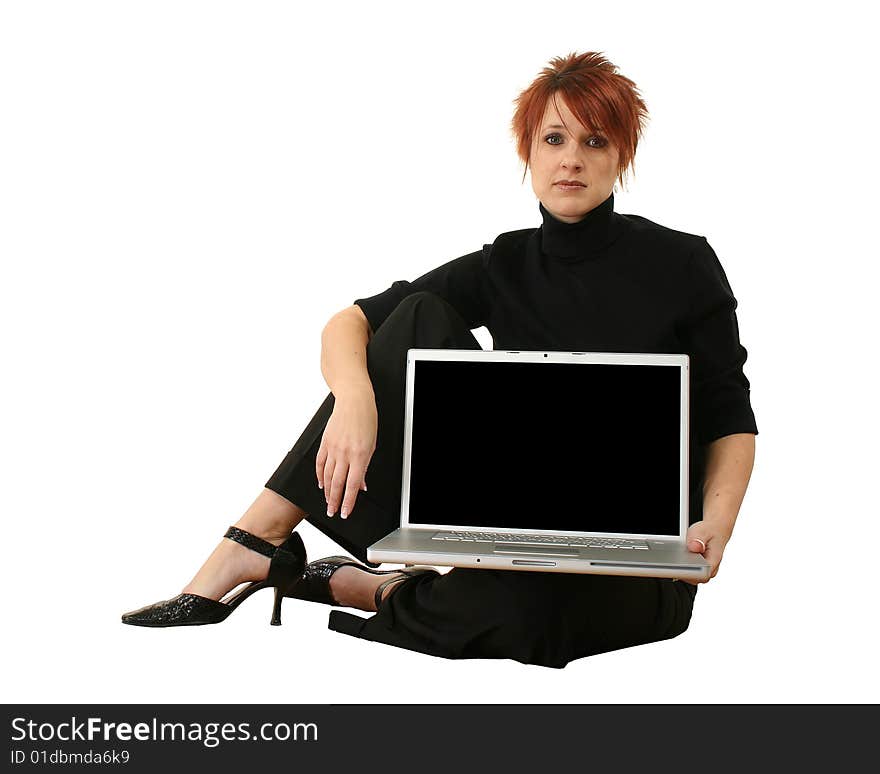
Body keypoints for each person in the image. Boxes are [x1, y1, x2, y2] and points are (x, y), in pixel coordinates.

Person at [122, 51, 758, 669]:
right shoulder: (503, 264)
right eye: (554, 139)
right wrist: (356, 401)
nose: (571, 160)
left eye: (595, 142)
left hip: (644, 544)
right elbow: (348, 322)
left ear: (622, 155)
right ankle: (254, 538)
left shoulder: (683, 262)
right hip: (515, 521)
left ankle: (367, 586)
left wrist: (716, 526)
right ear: (528, 152)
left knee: (535, 624)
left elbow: (730, 410)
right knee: (419, 316)